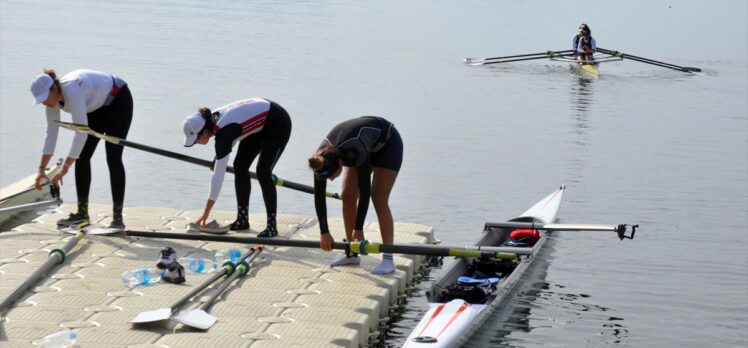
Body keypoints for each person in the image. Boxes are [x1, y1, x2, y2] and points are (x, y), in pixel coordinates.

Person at [30, 69, 133, 228]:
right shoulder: (53, 100)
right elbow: (51, 132)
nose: (44, 103)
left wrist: (65, 168)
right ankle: (82, 213)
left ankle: (117, 220)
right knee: (82, 156)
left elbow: (81, 134)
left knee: (113, 157)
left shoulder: (72, 91)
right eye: (40, 100)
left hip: (118, 98)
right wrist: (41, 170)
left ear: (55, 89)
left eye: (45, 98)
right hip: (96, 107)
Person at [182, 98, 292, 237]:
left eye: (196, 140)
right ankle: (242, 220)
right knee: (240, 166)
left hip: (277, 122)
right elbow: (231, 133)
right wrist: (218, 158)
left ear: (204, 132)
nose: (196, 143)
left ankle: (272, 226)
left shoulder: (222, 132)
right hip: (259, 122)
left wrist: (205, 213)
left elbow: (218, 176)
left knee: (263, 172)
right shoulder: (211, 120)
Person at [308, 116, 403, 274]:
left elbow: (364, 192)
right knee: (348, 195)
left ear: (340, 163)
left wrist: (359, 228)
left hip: (388, 145)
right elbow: (319, 196)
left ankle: (388, 259)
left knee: (378, 197)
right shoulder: (319, 159)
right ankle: (352, 253)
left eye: (333, 176)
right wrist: (324, 232)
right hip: (362, 145)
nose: (330, 180)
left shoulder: (355, 150)